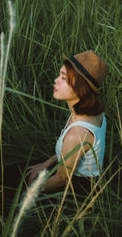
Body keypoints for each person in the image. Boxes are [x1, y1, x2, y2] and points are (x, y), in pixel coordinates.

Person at [25, 50, 108, 196]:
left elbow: (61, 180)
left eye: (64, 78)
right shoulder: (89, 110)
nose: (56, 80)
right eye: (59, 75)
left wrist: (28, 192)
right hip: (69, 171)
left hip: (77, 191)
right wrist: (45, 164)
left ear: (81, 87)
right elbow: (67, 151)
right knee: (23, 168)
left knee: (12, 187)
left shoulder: (77, 133)